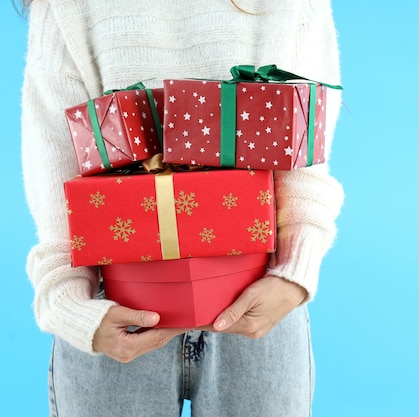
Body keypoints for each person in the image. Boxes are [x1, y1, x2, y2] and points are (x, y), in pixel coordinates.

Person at [20, 0, 345, 416]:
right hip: (114, 309)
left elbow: (302, 151)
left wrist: (294, 275)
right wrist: (71, 308)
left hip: (259, 306)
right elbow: (56, 167)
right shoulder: (70, 7)